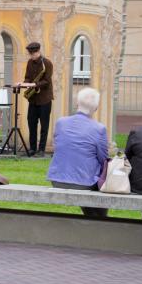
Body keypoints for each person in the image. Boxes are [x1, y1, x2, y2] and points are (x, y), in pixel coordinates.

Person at [47, 88, 108, 218]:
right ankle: (100, 225)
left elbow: (59, 146)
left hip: (57, 179)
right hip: (84, 182)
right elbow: (103, 159)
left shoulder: (61, 122)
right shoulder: (99, 128)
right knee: (100, 198)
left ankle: (94, 224)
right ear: (96, 108)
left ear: (77, 104)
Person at [17, 41, 53, 157]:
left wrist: (34, 85)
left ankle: (41, 150)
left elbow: (47, 81)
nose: (31, 56)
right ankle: (32, 148)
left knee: (44, 125)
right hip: (33, 98)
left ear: (38, 51)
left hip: (44, 99)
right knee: (31, 123)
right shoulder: (30, 63)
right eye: (30, 54)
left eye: (33, 54)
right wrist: (24, 84)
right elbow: (27, 77)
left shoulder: (46, 63)